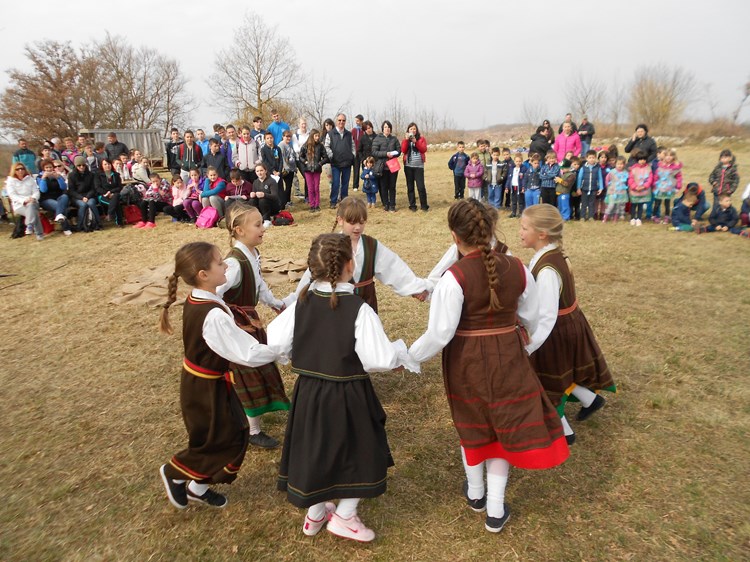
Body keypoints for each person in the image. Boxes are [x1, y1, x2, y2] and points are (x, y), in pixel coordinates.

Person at [409, 199, 569, 534]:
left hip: (465, 361)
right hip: (509, 359)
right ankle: (493, 507)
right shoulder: (519, 268)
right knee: (501, 429)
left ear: (455, 237)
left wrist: (409, 357)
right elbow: (533, 318)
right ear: (492, 230)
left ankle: (477, 494)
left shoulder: (453, 278)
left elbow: (439, 333)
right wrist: (524, 347)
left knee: (473, 423)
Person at [267, 233, 417, 542]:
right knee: (363, 450)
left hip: (309, 392)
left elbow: (276, 343)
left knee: (317, 450)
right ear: (351, 265)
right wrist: (398, 355)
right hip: (348, 394)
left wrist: (294, 357)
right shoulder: (358, 309)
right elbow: (377, 358)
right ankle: (345, 516)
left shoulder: (300, 305)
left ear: (313, 268)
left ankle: (316, 512)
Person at [159, 241, 279, 510]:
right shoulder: (212, 314)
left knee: (232, 433)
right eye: (220, 263)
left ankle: (197, 488)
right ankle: (174, 472)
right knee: (219, 439)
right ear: (203, 274)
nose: (226, 265)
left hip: (209, 382)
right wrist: (279, 350)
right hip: (204, 388)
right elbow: (245, 353)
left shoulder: (206, 300)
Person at [520, 204, 615, 444]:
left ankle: (564, 432)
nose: (520, 232)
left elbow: (547, 315)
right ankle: (590, 400)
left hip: (554, 332)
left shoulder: (548, 270)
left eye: (524, 228)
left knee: (545, 378)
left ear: (542, 234)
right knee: (563, 373)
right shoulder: (553, 254)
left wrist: (530, 345)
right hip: (568, 325)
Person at [217, 203, 294, 449]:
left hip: (249, 322)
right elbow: (215, 292)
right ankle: (251, 430)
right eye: (258, 224)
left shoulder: (252, 255)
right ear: (239, 230)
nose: (264, 228)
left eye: (263, 223)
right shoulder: (235, 263)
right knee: (247, 374)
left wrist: (276, 304)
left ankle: (248, 424)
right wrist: (225, 317)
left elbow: (258, 285)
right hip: (238, 327)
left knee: (258, 370)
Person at [289, 197, 430, 313]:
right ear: (340, 220)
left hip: (366, 304)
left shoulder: (371, 246)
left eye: (362, 222)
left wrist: (415, 288)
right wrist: (292, 302)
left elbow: (393, 267)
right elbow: (312, 275)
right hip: (336, 306)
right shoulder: (329, 247)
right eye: (352, 222)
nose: (358, 227)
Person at [324, 113, 355, 209]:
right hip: (335, 163)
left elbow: (353, 147)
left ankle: (344, 201)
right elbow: (326, 146)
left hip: (347, 163)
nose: (341, 122)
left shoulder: (349, 134)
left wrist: (352, 156)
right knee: (336, 183)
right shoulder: (330, 134)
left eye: (343, 120)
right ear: (336, 121)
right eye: (339, 120)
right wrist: (331, 156)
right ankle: (333, 201)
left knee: (345, 184)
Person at [6, 162, 44, 240]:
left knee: (31, 206)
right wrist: (24, 200)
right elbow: (12, 195)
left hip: (33, 202)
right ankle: (39, 234)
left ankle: (29, 226)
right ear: (14, 171)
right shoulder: (10, 181)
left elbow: (36, 191)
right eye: (18, 169)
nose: (20, 170)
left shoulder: (29, 179)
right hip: (19, 205)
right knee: (34, 213)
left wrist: (33, 198)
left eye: (22, 168)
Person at [371, 120, 402, 212]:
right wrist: (386, 153)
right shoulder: (377, 139)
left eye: (388, 127)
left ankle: (392, 205)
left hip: (393, 166)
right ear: (382, 129)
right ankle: (386, 204)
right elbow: (374, 152)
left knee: (392, 186)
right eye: (385, 127)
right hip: (382, 166)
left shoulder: (394, 139)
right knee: (383, 186)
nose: (387, 129)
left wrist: (394, 154)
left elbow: (399, 150)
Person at [37, 159, 73, 236]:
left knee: (65, 197)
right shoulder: (40, 177)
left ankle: (59, 217)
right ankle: (66, 228)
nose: (49, 169)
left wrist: (59, 178)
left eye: (50, 167)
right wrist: (43, 179)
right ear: (43, 169)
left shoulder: (57, 175)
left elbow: (63, 188)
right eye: (47, 168)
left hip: (58, 197)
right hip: (46, 199)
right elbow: (43, 190)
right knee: (60, 206)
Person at [67, 155, 101, 231]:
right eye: (79, 165)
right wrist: (81, 198)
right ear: (75, 166)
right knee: (83, 205)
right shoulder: (71, 175)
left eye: (83, 165)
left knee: (91, 203)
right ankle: (80, 225)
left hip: (89, 195)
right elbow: (71, 190)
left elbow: (93, 188)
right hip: (77, 197)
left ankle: (98, 223)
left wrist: (87, 197)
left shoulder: (91, 174)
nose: (81, 167)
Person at [401, 122, 429, 212]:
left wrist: (415, 142)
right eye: (411, 129)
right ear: (408, 130)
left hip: (419, 166)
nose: (412, 130)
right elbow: (403, 150)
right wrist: (406, 140)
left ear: (416, 130)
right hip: (408, 166)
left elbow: (424, 149)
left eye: (414, 129)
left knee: (421, 187)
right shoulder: (405, 139)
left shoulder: (421, 139)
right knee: (410, 186)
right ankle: (412, 205)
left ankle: (424, 206)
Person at [299, 128, 328, 213]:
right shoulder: (305, 145)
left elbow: (325, 157)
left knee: (316, 188)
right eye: (316, 135)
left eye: (318, 136)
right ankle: (312, 205)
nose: (317, 137)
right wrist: (305, 162)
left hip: (317, 170)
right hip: (308, 170)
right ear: (312, 136)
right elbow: (301, 156)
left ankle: (317, 204)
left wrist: (320, 163)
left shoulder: (320, 146)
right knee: (310, 189)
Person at [652, 148, 683, 223]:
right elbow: (656, 176)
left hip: (669, 188)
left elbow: (679, 178)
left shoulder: (675, 167)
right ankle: (654, 216)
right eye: (667, 155)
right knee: (657, 202)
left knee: (667, 203)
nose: (668, 157)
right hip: (660, 187)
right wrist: (654, 185)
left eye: (671, 155)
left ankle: (667, 216)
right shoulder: (660, 165)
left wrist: (678, 187)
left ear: (673, 157)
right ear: (664, 156)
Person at [250, 163, 281, 227]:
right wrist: (252, 194)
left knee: (263, 200)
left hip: (272, 205)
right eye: (257, 171)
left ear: (265, 171)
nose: (259, 173)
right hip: (260, 205)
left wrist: (264, 195)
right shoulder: (255, 182)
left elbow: (275, 196)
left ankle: (267, 220)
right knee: (252, 201)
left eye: (261, 170)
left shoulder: (272, 181)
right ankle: (256, 219)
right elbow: (254, 193)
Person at [576, 150, 604, 221]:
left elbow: (600, 178)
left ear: (595, 158)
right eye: (590, 157)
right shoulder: (583, 168)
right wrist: (578, 188)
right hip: (584, 188)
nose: (592, 159)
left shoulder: (598, 168)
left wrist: (601, 188)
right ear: (587, 158)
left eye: (593, 157)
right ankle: (582, 216)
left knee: (592, 203)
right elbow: (579, 178)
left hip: (594, 188)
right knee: (584, 203)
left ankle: (591, 216)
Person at [95, 158, 124, 226]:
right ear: (102, 166)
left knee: (116, 197)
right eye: (105, 164)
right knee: (116, 202)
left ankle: (110, 214)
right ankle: (119, 222)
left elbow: (119, 187)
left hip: (114, 194)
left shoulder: (116, 175)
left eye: (108, 164)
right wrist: (106, 193)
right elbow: (97, 188)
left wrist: (111, 192)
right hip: (103, 195)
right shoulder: (98, 175)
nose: (107, 166)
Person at [628, 152, 653, 226]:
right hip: (634, 190)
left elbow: (650, 179)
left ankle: (639, 218)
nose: (642, 161)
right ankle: (632, 218)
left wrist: (644, 186)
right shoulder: (633, 169)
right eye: (640, 159)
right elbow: (630, 179)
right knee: (633, 205)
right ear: (637, 160)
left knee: (640, 205)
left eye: (644, 159)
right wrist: (634, 187)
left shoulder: (648, 168)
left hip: (644, 190)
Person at [603, 157, 629, 222]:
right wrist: (608, 187)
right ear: (615, 164)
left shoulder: (625, 172)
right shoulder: (612, 172)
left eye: (621, 164)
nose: (620, 165)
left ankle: (615, 217)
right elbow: (607, 179)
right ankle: (605, 216)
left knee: (618, 205)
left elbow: (627, 181)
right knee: (611, 205)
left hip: (621, 192)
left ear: (624, 165)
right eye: (618, 164)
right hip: (613, 191)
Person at [555, 156, 579, 221]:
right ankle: (561, 216)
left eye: (563, 168)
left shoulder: (571, 175)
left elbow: (567, 184)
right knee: (560, 206)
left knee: (565, 206)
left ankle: (565, 217)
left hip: (564, 193)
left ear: (568, 167)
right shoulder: (564, 174)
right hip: (559, 193)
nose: (562, 170)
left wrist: (560, 180)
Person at [291, 118, 310, 198]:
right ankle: (307, 197)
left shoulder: (309, 134)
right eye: (302, 124)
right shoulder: (295, 135)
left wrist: (302, 147)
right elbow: (296, 149)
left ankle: (309, 196)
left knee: (309, 177)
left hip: (309, 159)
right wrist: (305, 148)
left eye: (305, 123)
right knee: (306, 176)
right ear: (299, 125)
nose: (304, 125)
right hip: (299, 160)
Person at [278, 130, 297, 208]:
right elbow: (282, 158)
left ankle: (288, 201)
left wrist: (295, 167)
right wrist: (286, 168)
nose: (288, 138)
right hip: (285, 170)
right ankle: (284, 202)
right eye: (286, 136)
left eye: (289, 136)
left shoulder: (289, 145)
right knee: (286, 186)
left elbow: (292, 157)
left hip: (291, 169)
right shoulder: (281, 145)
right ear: (283, 137)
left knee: (289, 186)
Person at [509, 154, 526, 218]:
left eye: (519, 161)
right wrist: (507, 187)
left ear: (522, 161)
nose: (518, 163)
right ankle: (513, 212)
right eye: (517, 161)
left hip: (520, 187)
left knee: (520, 201)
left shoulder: (523, 169)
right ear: (514, 161)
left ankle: (521, 213)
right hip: (513, 187)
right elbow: (509, 178)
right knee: (513, 200)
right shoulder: (512, 169)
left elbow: (524, 179)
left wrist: (523, 187)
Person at [351, 114, 365, 191]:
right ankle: (355, 186)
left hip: (363, 153)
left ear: (361, 121)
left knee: (365, 169)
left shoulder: (364, 130)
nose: (356, 122)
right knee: (356, 169)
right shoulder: (353, 130)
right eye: (355, 120)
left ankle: (366, 184)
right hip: (355, 153)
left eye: (358, 121)